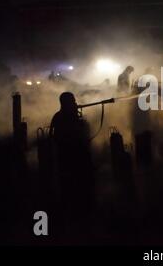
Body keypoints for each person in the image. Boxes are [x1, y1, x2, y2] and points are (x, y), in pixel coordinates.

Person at [49, 92, 95, 234]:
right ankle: (76, 216)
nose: (75, 104)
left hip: (69, 156)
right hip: (72, 156)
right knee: (74, 186)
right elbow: (75, 136)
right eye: (73, 101)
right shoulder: (65, 117)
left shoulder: (59, 116)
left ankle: (75, 213)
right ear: (66, 102)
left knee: (72, 186)